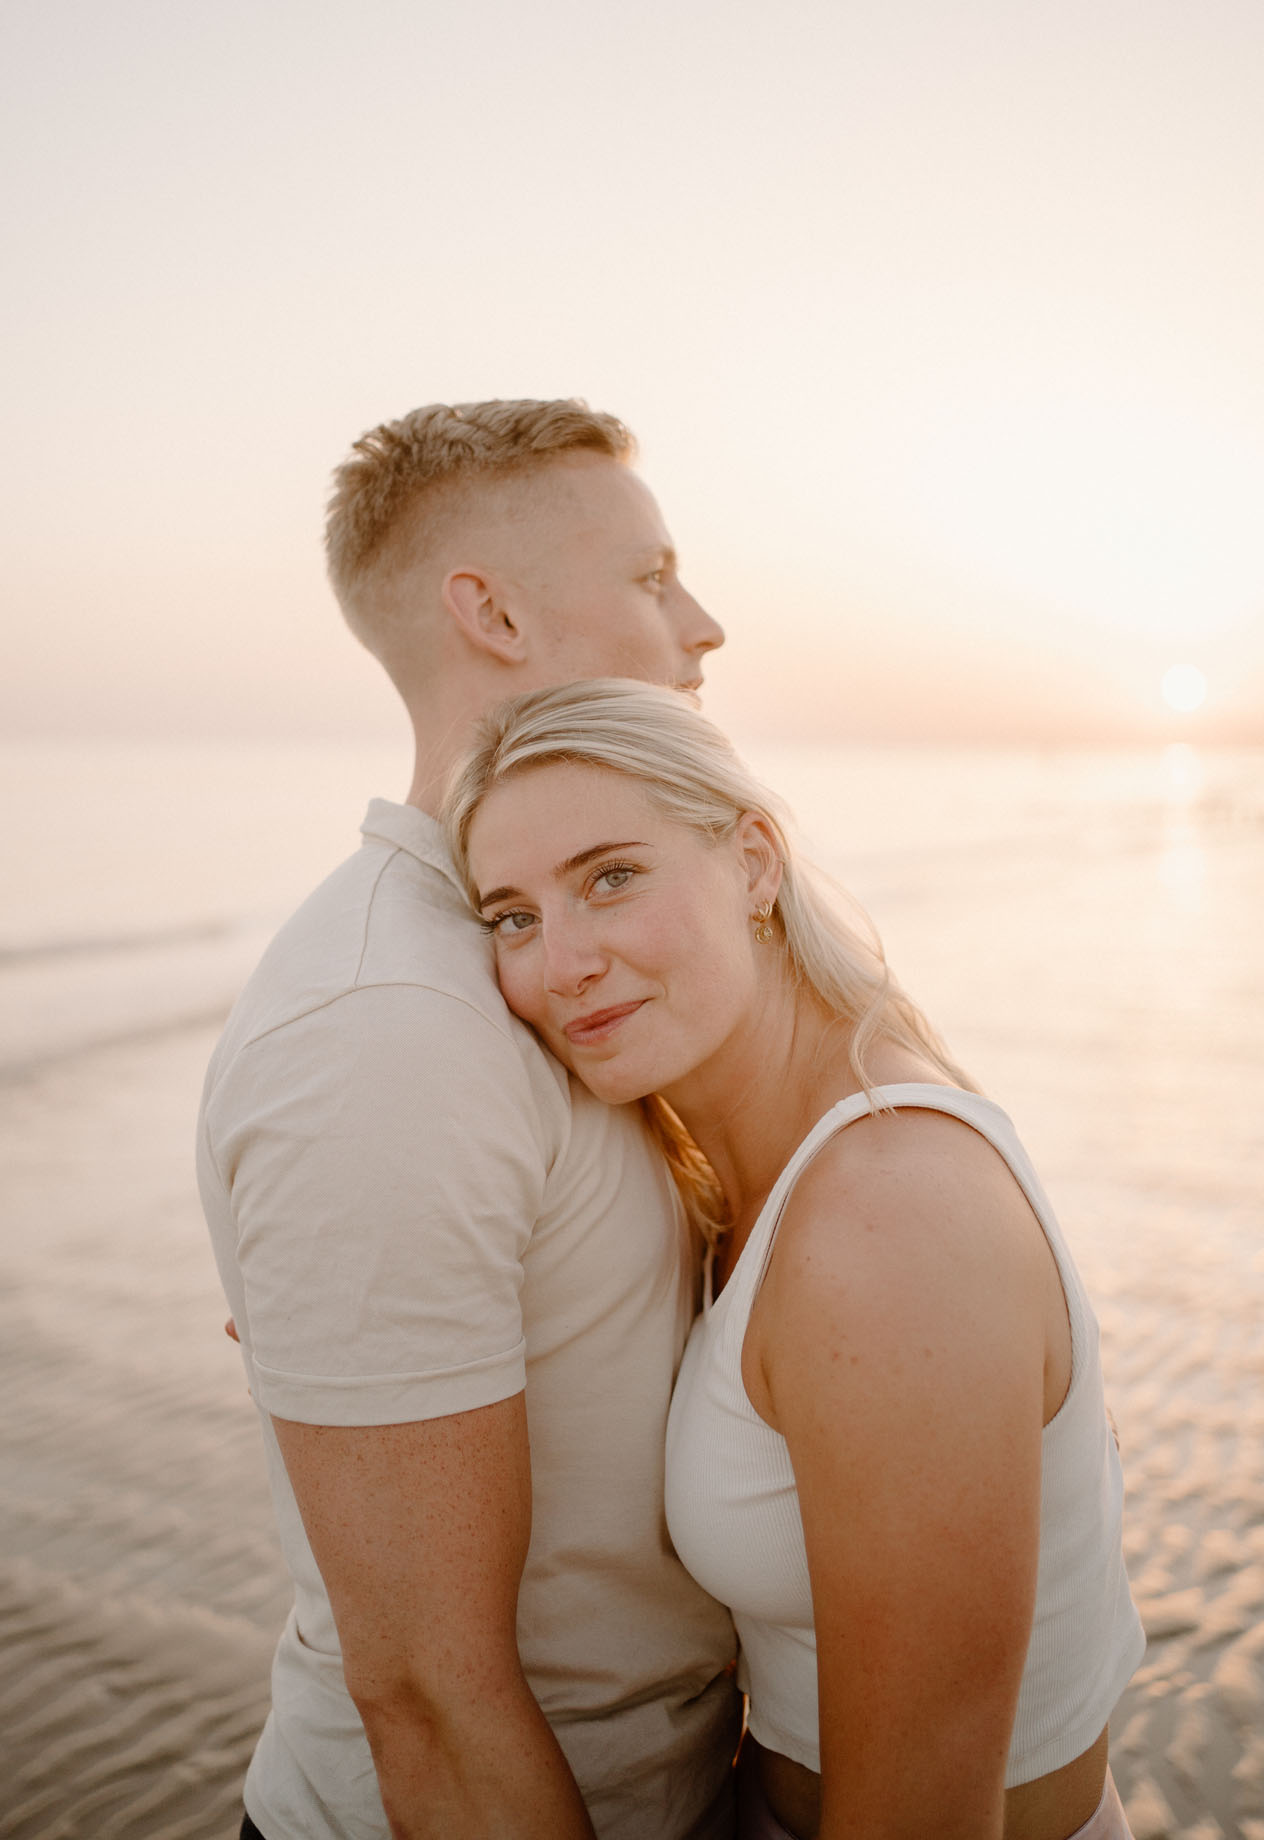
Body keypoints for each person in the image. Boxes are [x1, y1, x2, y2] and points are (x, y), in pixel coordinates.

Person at [443, 678, 1148, 1840]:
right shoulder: (731, 1158)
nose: (559, 962)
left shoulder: (888, 1216)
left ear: (754, 864)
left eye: (609, 877)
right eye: (511, 916)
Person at [196, 402, 740, 1840]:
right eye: (651, 576)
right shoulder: (387, 1035)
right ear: (489, 612)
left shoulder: (573, 957)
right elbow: (428, 1698)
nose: (705, 625)